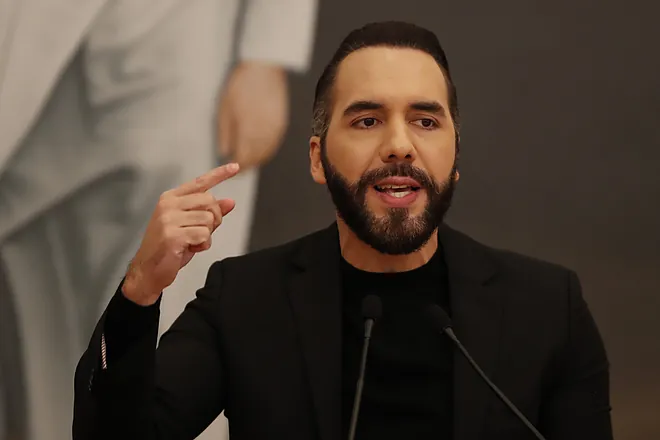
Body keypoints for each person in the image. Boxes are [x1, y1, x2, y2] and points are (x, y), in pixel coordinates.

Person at [72, 21, 612, 440]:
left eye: (425, 121)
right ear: (317, 158)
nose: (399, 146)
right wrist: (140, 288)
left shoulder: (548, 309)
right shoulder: (244, 300)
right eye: (367, 120)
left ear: (455, 157)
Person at [0, 1, 317, 439]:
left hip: (180, 34)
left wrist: (266, 53)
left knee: (175, 287)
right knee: (34, 285)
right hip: (31, 41)